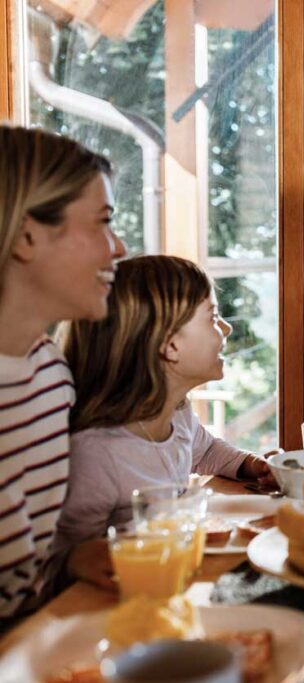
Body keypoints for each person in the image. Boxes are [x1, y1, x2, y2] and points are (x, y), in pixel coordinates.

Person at [52, 255, 276, 584]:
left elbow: (206, 451)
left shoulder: (177, 415)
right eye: (213, 317)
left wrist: (250, 465)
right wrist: (78, 559)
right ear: (170, 346)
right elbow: (65, 559)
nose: (226, 328)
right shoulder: (98, 455)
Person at [0, 126, 126, 619]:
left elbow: (18, 581)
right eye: (103, 222)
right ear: (27, 234)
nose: (117, 248)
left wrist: (70, 559)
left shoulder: (51, 378)